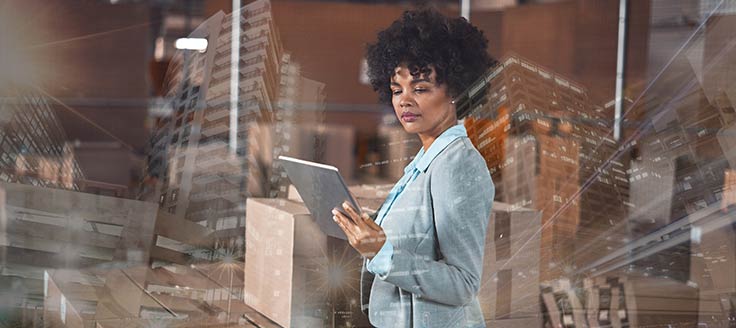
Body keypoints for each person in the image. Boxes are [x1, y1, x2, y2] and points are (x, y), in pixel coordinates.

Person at [332, 8, 496, 328]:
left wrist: (384, 254)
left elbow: (463, 284)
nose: (404, 100)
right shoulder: (426, 158)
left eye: (420, 88)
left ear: (456, 91)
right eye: (397, 90)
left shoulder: (458, 165)